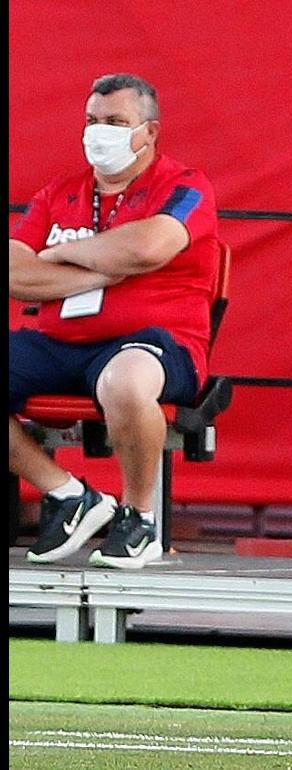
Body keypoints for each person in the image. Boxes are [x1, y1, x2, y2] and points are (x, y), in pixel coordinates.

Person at [9, 73, 220, 570]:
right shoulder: (57, 192)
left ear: (149, 132)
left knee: (125, 380)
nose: (98, 132)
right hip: (60, 341)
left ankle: (138, 519)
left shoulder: (185, 185)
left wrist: (60, 254)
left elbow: (150, 247)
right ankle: (66, 494)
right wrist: (106, 273)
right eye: (92, 121)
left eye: (115, 122)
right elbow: (15, 271)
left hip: (156, 342)